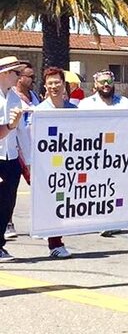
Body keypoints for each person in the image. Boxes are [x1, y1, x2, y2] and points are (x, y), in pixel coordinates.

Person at [35, 67, 77, 259]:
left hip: (68, 166)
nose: (54, 86)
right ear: (45, 86)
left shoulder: (73, 110)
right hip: (46, 166)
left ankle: (53, 236)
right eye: (50, 83)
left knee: (62, 202)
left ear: (64, 84)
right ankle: (55, 243)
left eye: (57, 82)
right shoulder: (39, 111)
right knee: (52, 202)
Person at [5, 62, 39, 238]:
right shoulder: (10, 98)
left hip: (23, 152)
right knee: (7, 195)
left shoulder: (28, 97)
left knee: (35, 188)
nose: (33, 80)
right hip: (8, 152)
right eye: (30, 77)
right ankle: (7, 225)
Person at [0, 56, 26, 261]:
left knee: (8, 203)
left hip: (11, 158)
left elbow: (22, 131)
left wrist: (29, 162)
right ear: (5, 73)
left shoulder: (15, 98)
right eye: (16, 73)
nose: (19, 77)